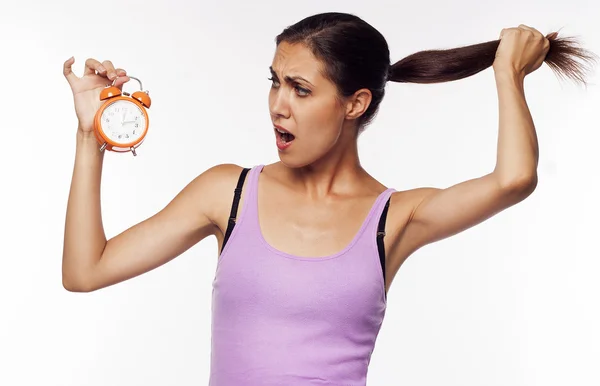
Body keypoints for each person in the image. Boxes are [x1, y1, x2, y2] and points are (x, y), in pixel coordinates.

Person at [61, 12, 595, 386]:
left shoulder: (396, 217)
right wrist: (91, 137)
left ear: (354, 103)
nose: (277, 106)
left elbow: (513, 179)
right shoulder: (229, 191)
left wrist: (508, 74)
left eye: (300, 88)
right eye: (274, 83)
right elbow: (86, 270)